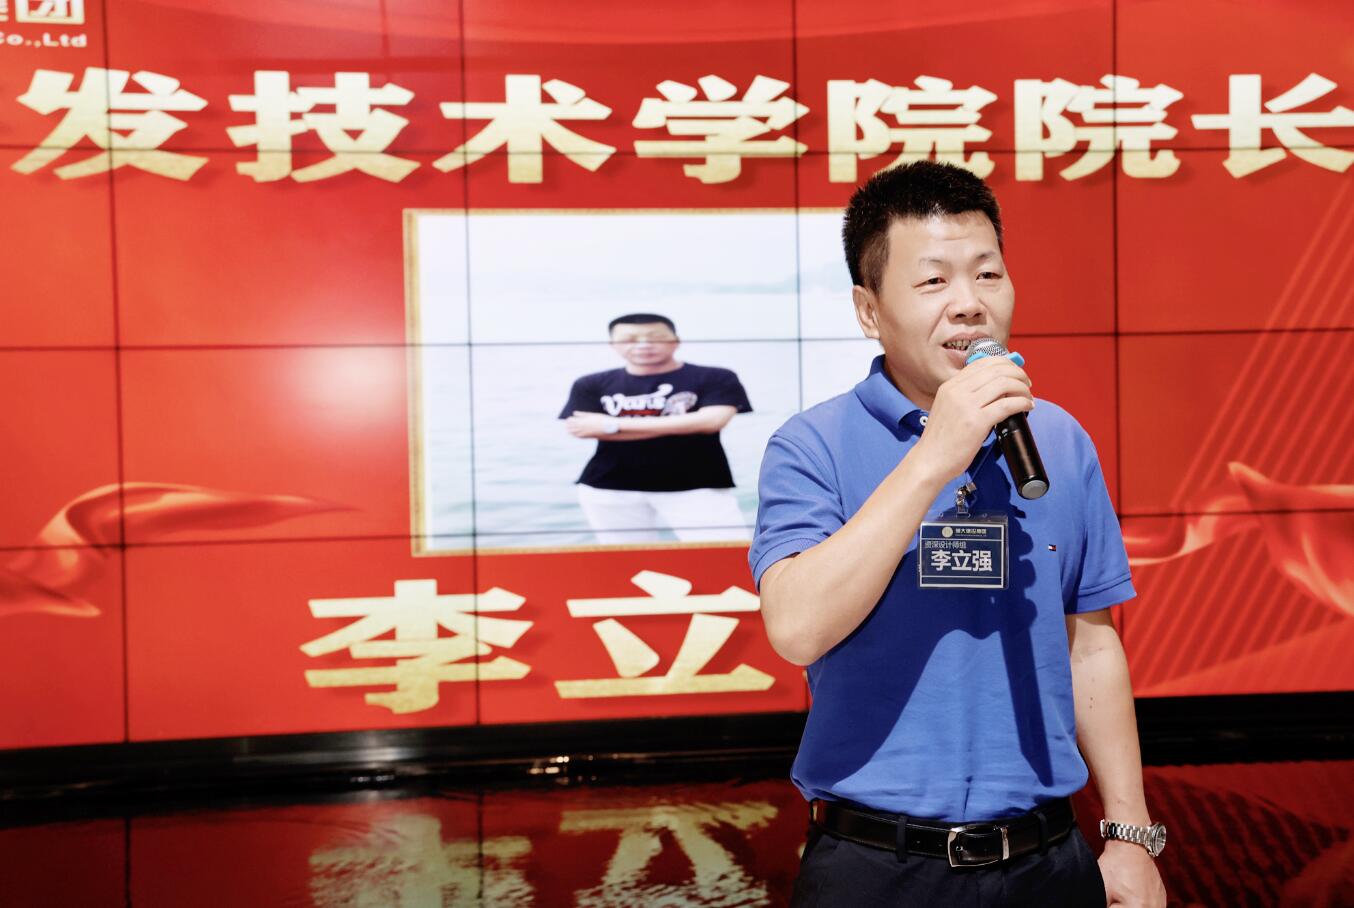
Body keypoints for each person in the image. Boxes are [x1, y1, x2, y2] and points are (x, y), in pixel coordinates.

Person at [750, 161, 1168, 907]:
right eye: (933, 281)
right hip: (875, 865)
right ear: (869, 311)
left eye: (987, 274)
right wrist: (934, 456)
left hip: (1048, 858)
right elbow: (796, 629)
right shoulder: (810, 445)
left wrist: (1130, 835)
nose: (969, 304)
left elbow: (1092, 645)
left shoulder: (1058, 440)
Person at [560, 313, 752, 544]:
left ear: (676, 341)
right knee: (628, 561)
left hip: (698, 485)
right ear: (613, 345)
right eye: (629, 339)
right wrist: (689, 424)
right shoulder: (590, 383)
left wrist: (611, 424)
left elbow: (712, 422)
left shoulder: (715, 377)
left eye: (655, 337)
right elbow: (583, 429)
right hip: (610, 488)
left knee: (725, 554)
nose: (643, 344)